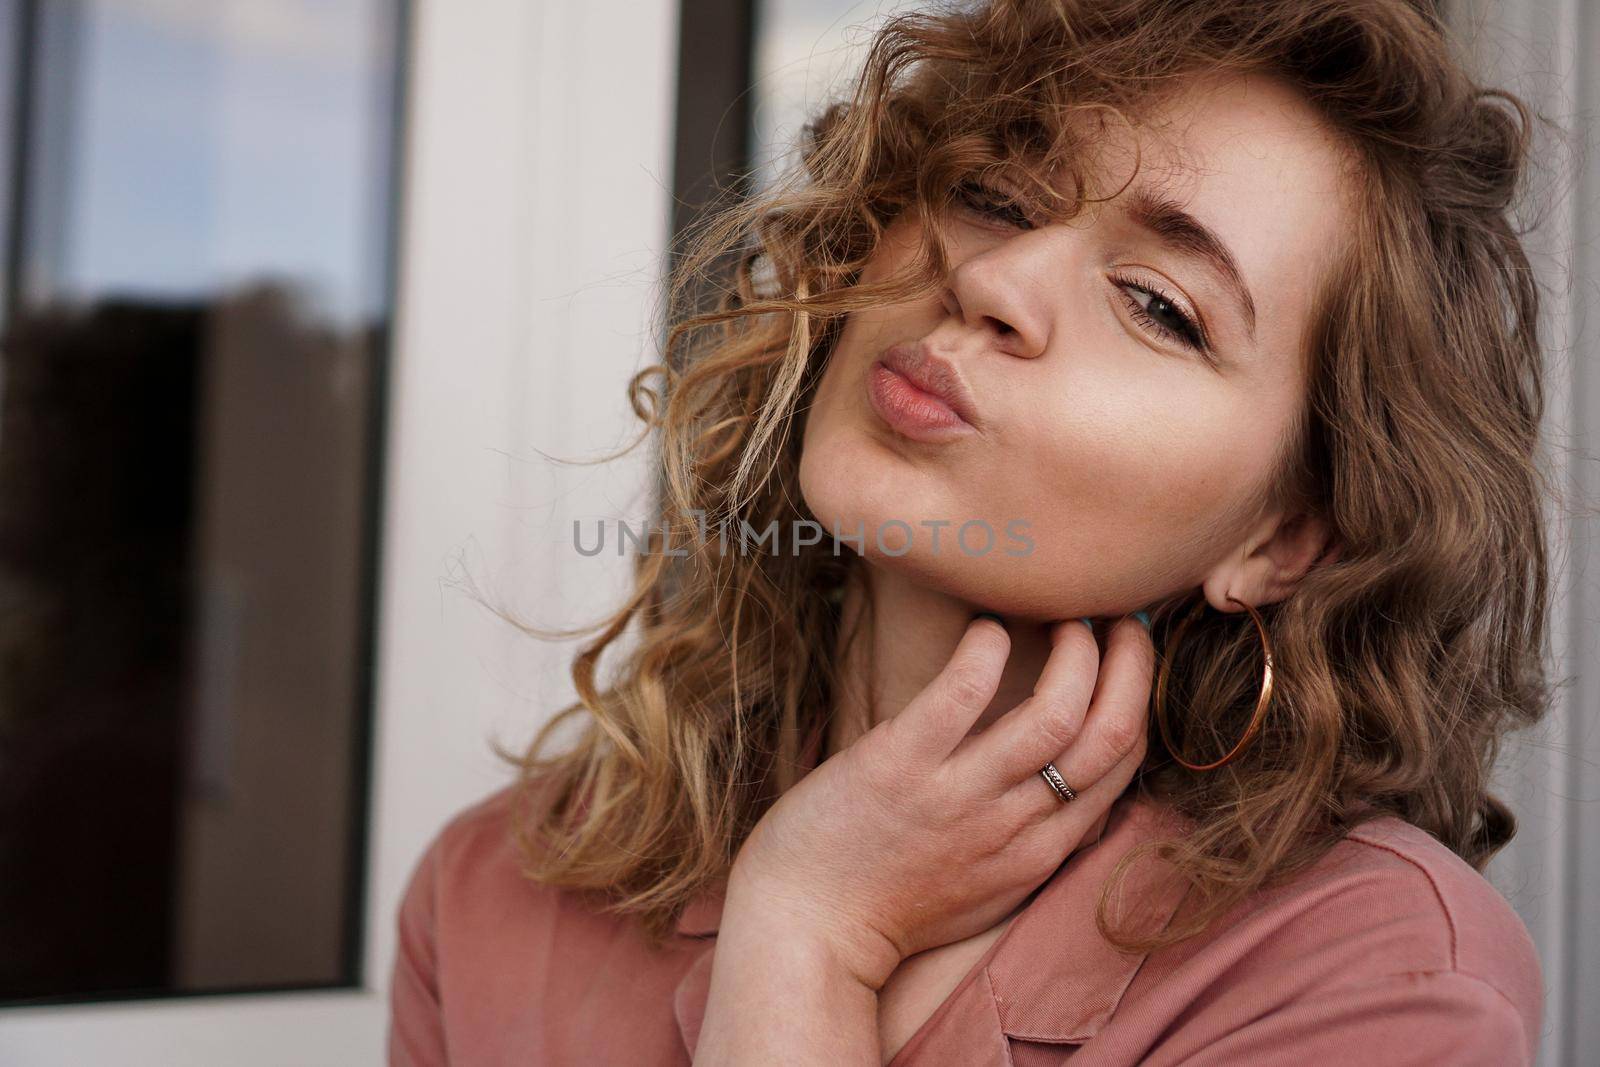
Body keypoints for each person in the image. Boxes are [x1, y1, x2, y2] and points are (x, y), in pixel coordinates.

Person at [388, 0, 1556, 1063]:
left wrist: (806, 934)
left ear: (1284, 538)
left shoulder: (1373, 975)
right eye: (995, 197)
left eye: (1158, 304)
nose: (993, 277)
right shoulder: (499, 886)